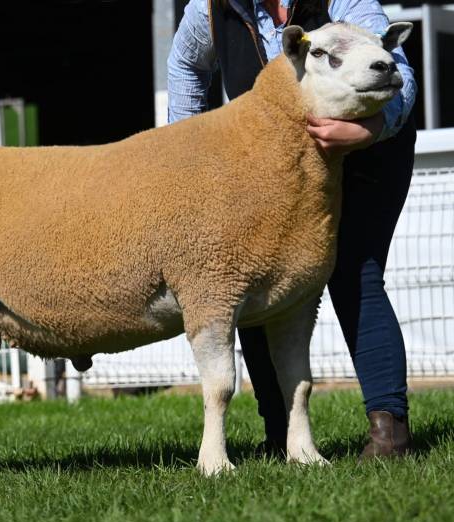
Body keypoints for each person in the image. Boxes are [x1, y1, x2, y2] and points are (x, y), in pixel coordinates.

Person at [167, 0, 417, 458]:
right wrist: (189, 151)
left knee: (353, 271)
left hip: (366, 152)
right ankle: (281, 434)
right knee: (256, 280)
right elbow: (185, 63)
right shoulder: (210, 9)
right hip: (272, 167)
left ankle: (389, 429)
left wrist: (373, 127)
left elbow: (395, 67)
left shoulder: (344, 1)